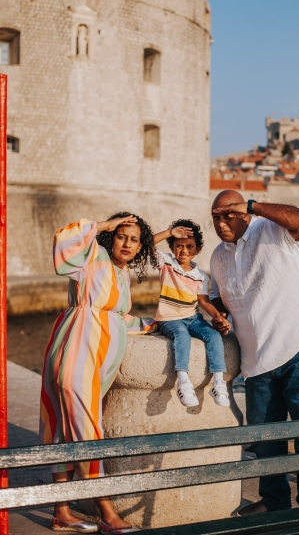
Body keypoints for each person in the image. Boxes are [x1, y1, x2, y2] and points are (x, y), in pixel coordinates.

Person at [209, 191, 299, 515]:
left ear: (244, 213)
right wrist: (209, 311)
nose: (221, 223)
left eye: (228, 215)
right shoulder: (218, 256)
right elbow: (219, 299)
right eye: (216, 217)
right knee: (265, 439)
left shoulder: (271, 230)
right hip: (256, 360)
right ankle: (276, 504)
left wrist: (252, 206)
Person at [40, 212, 158, 534]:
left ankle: (61, 511)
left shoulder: (121, 274)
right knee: (85, 428)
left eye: (134, 240)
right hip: (77, 352)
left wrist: (150, 324)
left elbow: (118, 317)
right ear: (110, 237)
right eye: (121, 235)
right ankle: (107, 512)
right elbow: (62, 240)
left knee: (66, 430)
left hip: (94, 361)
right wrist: (103, 225)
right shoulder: (93, 256)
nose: (127, 244)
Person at [154, 219, 231, 408]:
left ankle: (218, 383)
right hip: (170, 318)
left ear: (197, 249)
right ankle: (183, 382)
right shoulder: (166, 263)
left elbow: (203, 300)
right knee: (181, 336)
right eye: (179, 246)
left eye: (190, 246)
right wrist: (170, 231)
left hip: (193, 317)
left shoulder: (200, 275)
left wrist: (218, 317)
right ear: (172, 247)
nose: (184, 250)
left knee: (213, 335)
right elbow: (146, 243)